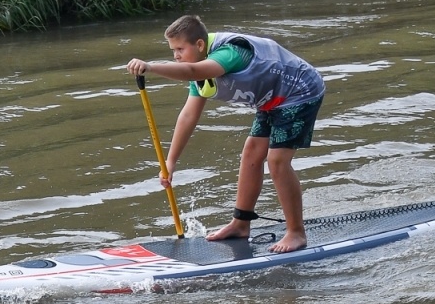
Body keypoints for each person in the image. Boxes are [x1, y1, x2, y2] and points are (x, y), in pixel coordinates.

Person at [125, 14, 325, 253]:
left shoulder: (230, 52)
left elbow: (191, 70)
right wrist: (170, 161)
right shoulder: (199, 74)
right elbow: (188, 116)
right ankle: (240, 224)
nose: (175, 56)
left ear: (200, 45)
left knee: (277, 161)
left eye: (179, 49)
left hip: (300, 91)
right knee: (251, 154)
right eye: (172, 51)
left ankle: (296, 232)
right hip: (272, 99)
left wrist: (150, 67)